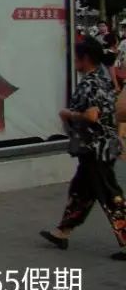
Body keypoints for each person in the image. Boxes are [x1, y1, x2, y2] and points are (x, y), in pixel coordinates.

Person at [41, 40, 126, 260]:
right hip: (99, 147)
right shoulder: (102, 78)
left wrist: (69, 115)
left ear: (85, 58)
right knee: (81, 191)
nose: (74, 61)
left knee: (110, 195)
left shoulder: (90, 83)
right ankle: (62, 231)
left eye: (77, 57)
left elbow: (92, 116)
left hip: (96, 149)